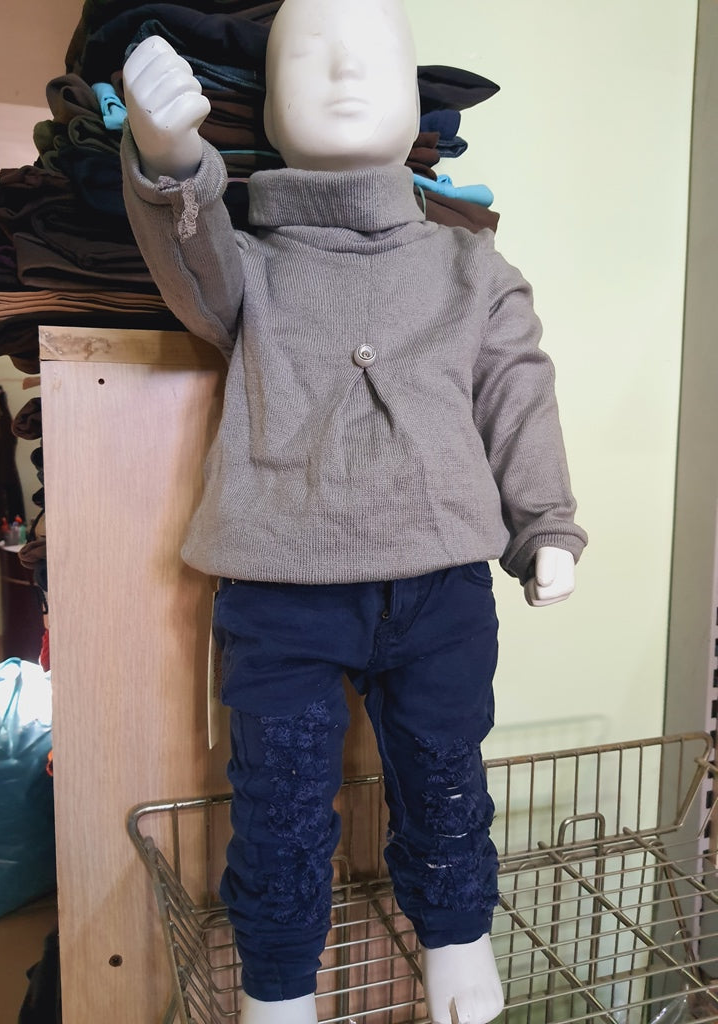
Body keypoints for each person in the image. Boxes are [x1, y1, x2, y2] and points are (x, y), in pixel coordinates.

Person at [120, 1, 587, 1021]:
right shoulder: (253, 265)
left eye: (375, 54)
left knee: (445, 772)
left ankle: (457, 934)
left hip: (442, 586)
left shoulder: (471, 268)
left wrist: (545, 525)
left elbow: (519, 392)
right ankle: (279, 983)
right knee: (280, 800)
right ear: (267, 104)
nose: (342, 72)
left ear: (418, 96)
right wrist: (168, 159)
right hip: (281, 590)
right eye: (310, 55)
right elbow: (189, 264)